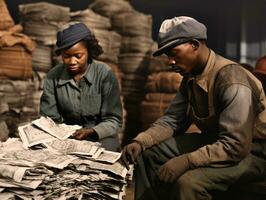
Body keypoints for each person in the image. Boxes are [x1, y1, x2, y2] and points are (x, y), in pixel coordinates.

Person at [122, 16, 266, 200]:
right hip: (218, 141)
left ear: (194, 45)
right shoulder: (191, 77)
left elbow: (236, 145)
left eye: (174, 53)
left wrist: (187, 161)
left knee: (189, 183)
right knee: (148, 155)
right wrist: (140, 141)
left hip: (253, 152)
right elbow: (173, 120)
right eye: (167, 56)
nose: (170, 61)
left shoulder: (232, 79)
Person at [40, 23, 122, 151]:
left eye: (78, 56)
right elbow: (49, 118)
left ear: (89, 52)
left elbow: (113, 120)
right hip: (67, 136)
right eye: (66, 56)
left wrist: (91, 131)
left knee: (105, 156)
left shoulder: (105, 74)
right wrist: (63, 133)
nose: (72, 61)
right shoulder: (53, 77)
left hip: (100, 136)